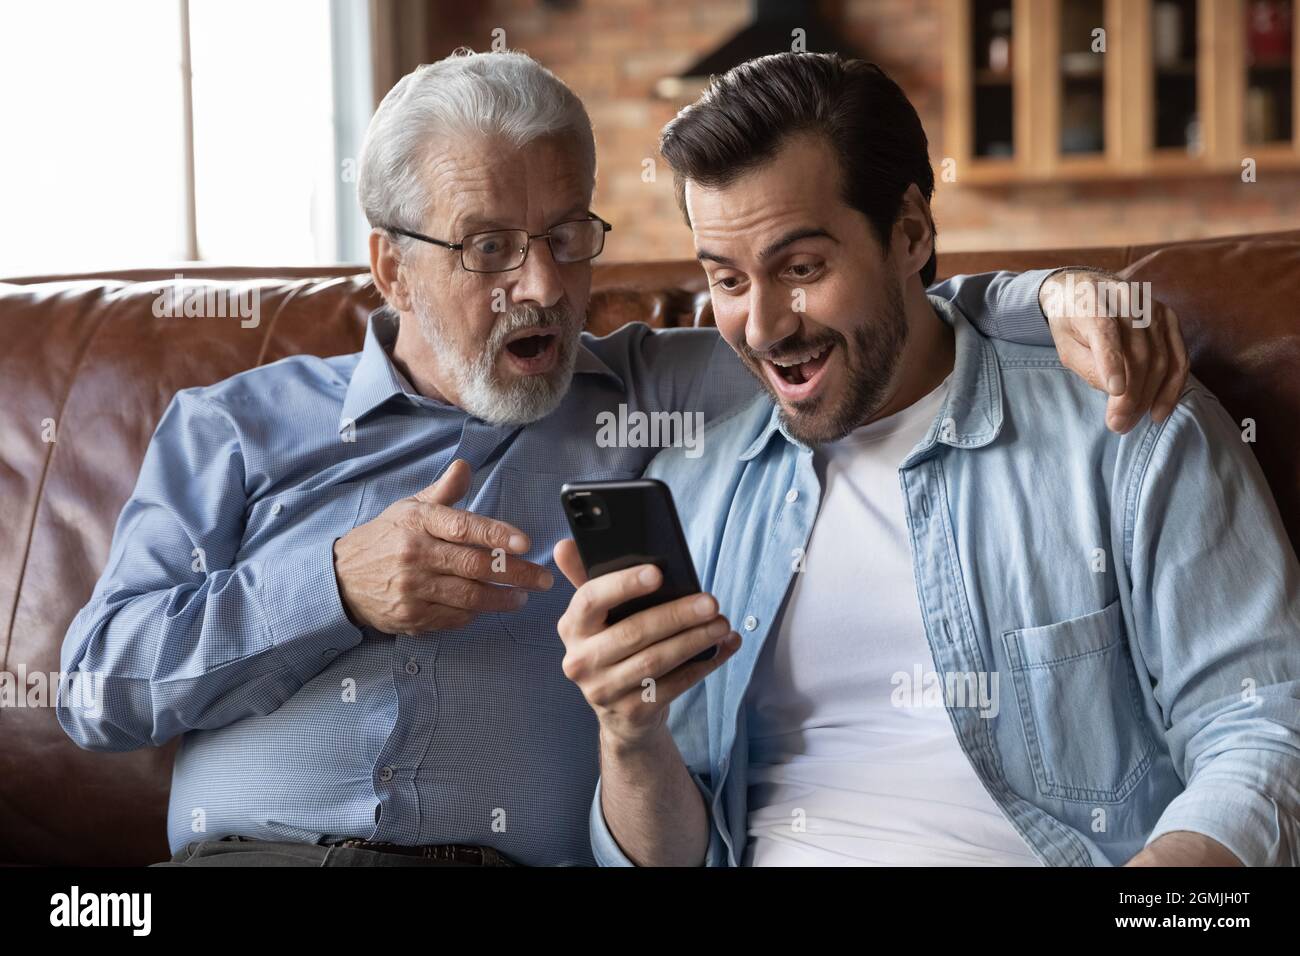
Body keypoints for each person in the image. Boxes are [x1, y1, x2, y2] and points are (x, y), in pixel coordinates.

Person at [58, 50, 1188, 867]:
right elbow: (94, 688)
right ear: (391, 268)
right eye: (490, 247)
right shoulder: (234, 427)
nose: (543, 285)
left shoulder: (658, 391)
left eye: (566, 236)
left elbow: (871, 312)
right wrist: (334, 586)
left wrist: (1053, 293)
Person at [559, 53, 1300, 867]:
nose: (765, 326)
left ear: (909, 233)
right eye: (728, 280)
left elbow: (1264, 727)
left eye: (802, 269)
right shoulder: (696, 476)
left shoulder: (1126, 422)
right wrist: (630, 737)